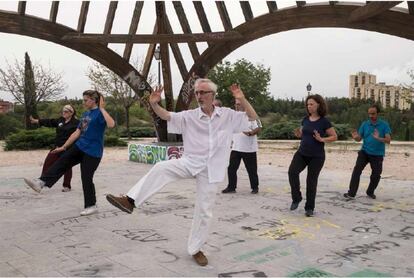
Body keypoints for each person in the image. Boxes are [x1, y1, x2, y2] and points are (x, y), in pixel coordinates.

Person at [105, 79, 258, 266]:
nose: (199, 96)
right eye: (197, 93)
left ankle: (195, 249)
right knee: (162, 167)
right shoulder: (189, 116)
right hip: (191, 162)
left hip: (212, 169)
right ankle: (130, 201)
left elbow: (252, 119)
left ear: (212, 95)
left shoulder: (227, 115)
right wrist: (154, 104)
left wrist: (243, 99)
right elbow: (167, 116)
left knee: (204, 211)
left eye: (203, 92)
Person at [24, 90, 115, 216]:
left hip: (93, 152)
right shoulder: (85, 115)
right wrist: (64, 147)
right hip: (80, 146)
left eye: (85, 100)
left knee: (86, 178)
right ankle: (41, 182)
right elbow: (77, 133)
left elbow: (111, 124)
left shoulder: (100, 113)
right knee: (63, 161)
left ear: (93, 100)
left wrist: (102, 108)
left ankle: (91, 205)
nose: (83, 102)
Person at [288, 94, 337, 217]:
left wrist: (322, 139)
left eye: (311, 104)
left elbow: (334, 136)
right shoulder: (305, 119)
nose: (309, 106)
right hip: (302, 153)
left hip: (317, 156)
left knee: (311, 181)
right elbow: (302, 134)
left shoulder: (324, 121)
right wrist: (298, 134)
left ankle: (309, 208)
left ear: (318, 105)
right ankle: (297, 198)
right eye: (308, 104)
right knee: (292, 172)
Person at [344, 104, 391, 200]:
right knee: (356, 171)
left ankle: (370, 191)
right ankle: (351, 193)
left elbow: (388, 140)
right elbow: (359, 138)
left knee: (376, 175)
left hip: (377, 154)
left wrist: (378, 138)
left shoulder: (384, 125)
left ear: (378, 113)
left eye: (373, 114)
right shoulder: (365, 124)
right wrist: (355, 137)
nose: (371, 116)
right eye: (369, 114)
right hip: (364, 152)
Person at [30, 105, 79, 192]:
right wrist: (36, 121)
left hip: (68, 148)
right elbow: (50, 122)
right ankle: (41, 181)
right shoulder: (60, 120)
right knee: (48, 161)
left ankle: (67, 186)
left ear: (71, 113)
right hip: (57, 147)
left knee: (67, 166)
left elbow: (79, 134)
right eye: (63, 111)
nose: (63, 113)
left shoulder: (76, 123)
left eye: (66, 111)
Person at [222, 98, 262, 194]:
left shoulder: (252, 115)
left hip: (249, 149)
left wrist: (251, 133)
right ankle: (231, 187)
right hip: (236, 148)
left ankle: (255, 187)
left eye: (239, 104)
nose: (236, 106)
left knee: (251, 170)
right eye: (236, 104)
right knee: (231, 168)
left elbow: (259, 127)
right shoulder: (234, 117)